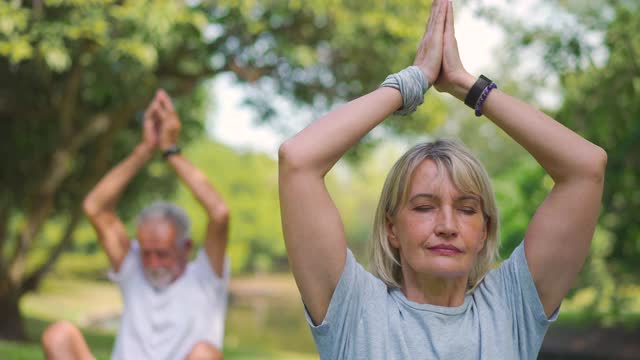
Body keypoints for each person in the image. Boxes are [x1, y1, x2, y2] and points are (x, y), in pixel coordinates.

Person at [277, 0, 607, 359]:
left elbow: (585, 167)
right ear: (391, 228)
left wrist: (468, 86)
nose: (447, 225)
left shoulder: (513, 306)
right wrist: (413, 80)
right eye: (424, 207)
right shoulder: (355, 310)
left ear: (483, 231)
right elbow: (299, 160)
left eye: (467, 209)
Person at [41, 90, 230, 360]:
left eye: (162, 253)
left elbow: (219, 213)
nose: (152, 263)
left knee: (205, 354)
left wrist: (170, 150)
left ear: (185, 247)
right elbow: (95, 207)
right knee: (59, 334)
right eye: (146, 252)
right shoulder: (133, 268)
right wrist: (144, 150)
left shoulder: (205, 277)